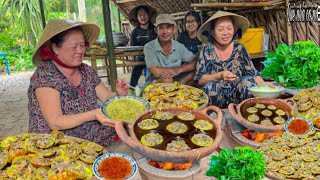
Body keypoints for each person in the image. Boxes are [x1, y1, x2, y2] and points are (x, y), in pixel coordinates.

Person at [28, 19, 128, 146]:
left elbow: (107, 97)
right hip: (57, 142)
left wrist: (119, 94)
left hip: (91, 135)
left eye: (82, 45)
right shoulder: (45, 75)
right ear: (55, 48)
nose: (80, 51)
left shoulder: (86, 70)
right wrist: (94, 114)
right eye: (74, 46)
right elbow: (55, 121)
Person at [195, 11, 274, 108]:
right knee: (212, 88)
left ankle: (243, 112)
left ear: (234, 30)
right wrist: (219, 75)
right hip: (215, 99)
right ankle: (215, 116)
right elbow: (201, 80)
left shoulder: (239, 48)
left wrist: (263, 85)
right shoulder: (206, 49)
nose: (225, 33)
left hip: (238, 95)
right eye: (220, 29)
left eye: (229, 28)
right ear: (213, 32)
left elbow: (253, 74)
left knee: (249, 82)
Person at [144, 14, 197, 87]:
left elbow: (196, 61)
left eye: (168, 27)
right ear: (156, 30)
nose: (165, 31)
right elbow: (156, 72)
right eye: (161, 28)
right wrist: (174, 71)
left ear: (174, 29)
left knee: (197, 72)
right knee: (167, 79)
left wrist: (179, 69)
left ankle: (179, 86)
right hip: (155, 84)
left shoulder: (179, 46)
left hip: (175, 81)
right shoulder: (149, 47)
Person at [128, 5, 157, 89]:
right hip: (140, 58)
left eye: (144, 14)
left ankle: (150, 86)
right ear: (137, 18)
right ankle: (132, 87)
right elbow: (133, 47)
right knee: (137, 66)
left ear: (149, 15)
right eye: (140, 15)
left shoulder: (155, 30)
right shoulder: (135, 32)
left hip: (154, 58)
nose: (142, 17)